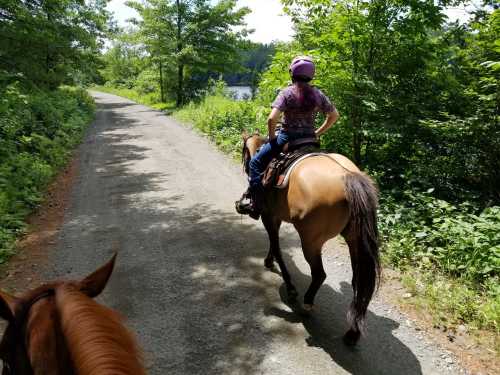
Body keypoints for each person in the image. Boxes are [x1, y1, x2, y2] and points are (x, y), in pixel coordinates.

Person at [238, 56, 339, 220]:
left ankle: (256, 204)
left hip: (286, 139)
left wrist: (271, 138)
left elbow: (271, 119)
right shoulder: (317, 94)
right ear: (311, 75)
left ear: (292, 73)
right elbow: (334, 116)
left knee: (255, 162)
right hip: (309, 139)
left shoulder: (287, 92)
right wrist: (317, 133)